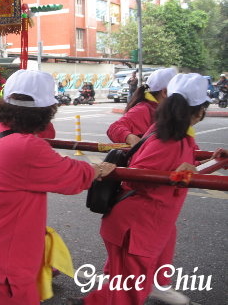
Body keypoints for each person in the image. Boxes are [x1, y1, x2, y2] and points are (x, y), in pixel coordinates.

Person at [0, 69, 116, 305]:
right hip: (1, 271)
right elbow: (71, 176)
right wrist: (97, 170)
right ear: (46, 112)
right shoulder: (25, 147)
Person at [73, 73, 223, 305]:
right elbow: (138, 177)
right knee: (127, 293)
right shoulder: (170, 140)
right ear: (199, 111)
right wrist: (182, 174)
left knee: (120, 282)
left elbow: (181, 171)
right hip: (137, 227)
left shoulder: (175, 135)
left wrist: (211, 162)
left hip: (145, 225)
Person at [107, 68, 177, 147]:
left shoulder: (169, 112)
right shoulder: (143, 109)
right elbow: (114, 128)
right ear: (164, 92)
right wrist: (134, 140)